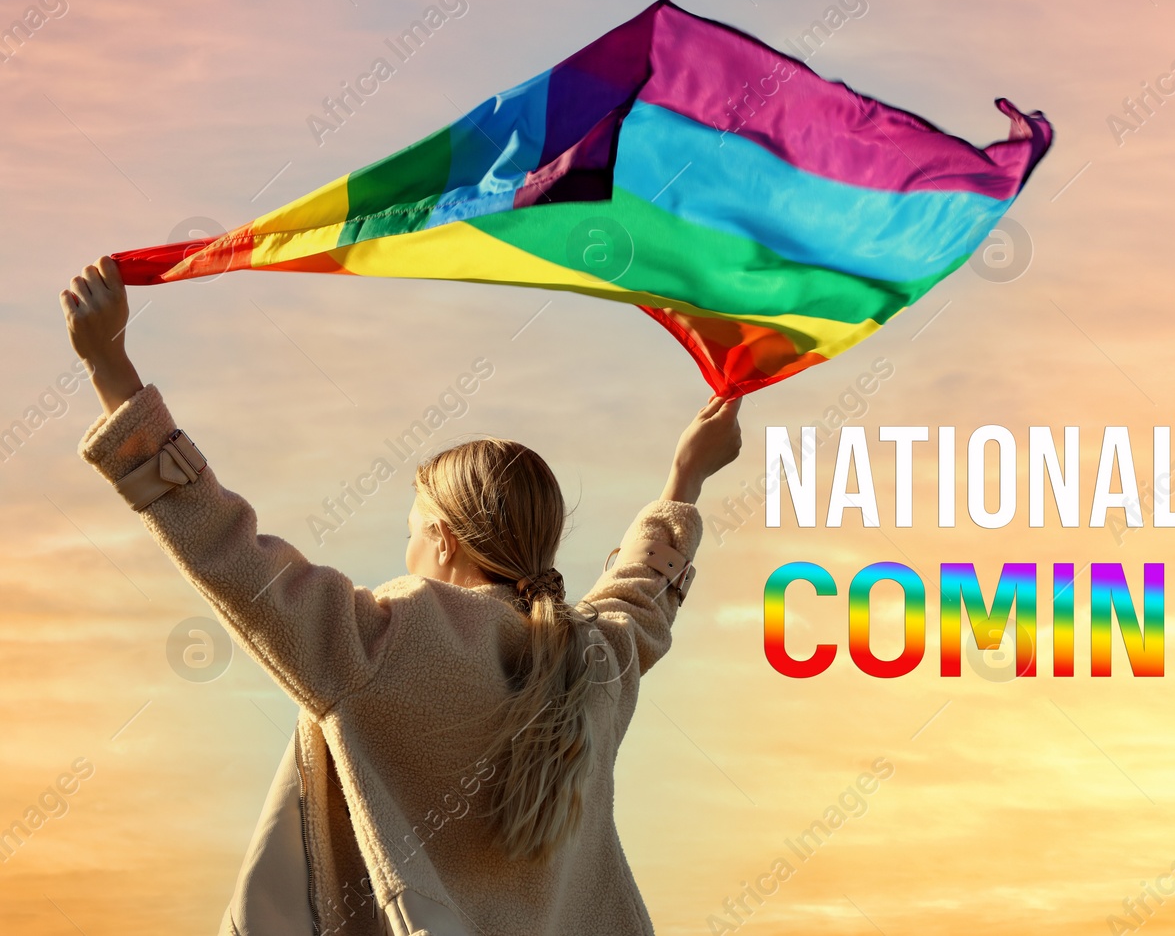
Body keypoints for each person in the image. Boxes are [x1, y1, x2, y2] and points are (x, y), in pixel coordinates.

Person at [61, 257, 743, 936]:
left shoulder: (379, 645)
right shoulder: (594, 660)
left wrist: (110, 370)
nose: (408, 548)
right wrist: (687, 473)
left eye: (412, 530)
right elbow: (643, 592)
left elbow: (227, 552)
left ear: (444, 539)